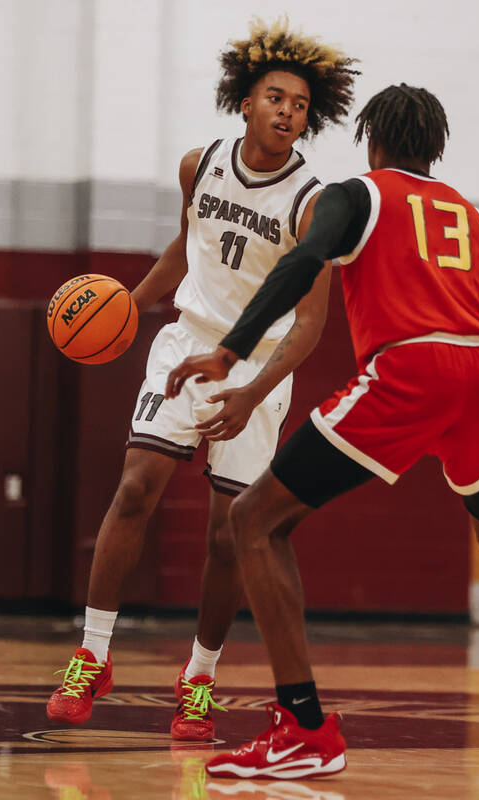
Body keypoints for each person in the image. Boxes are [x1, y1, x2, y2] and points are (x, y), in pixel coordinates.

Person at [166, 83, 479, 779]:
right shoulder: (469, 216)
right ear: (434, 149)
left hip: (409, 368)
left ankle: (303, 725)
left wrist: (230, 348)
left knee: (252, 521)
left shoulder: (356, 195)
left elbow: (302, 262)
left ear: (372, 140)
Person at [46, 18, 357, 743]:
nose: (287, 111)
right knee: (134, 487)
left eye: (301, 104)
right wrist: (123, 304)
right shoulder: (200, 164)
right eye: (274, 96)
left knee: (228, 536)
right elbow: (183, 254)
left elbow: (310, 326)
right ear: (244, 103)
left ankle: (199, 679)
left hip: (258, 368)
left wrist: (253, 391)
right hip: (185, 344)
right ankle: (93, 656)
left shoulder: (316, 202)